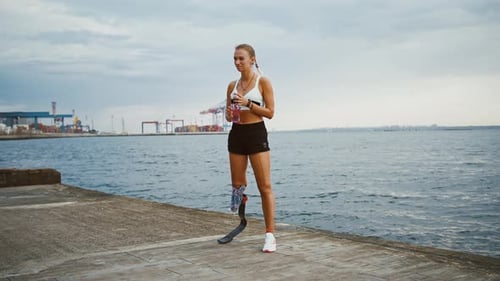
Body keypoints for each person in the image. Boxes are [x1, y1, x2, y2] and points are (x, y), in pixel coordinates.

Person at [225, 43, 276, 253]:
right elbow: (230, 117)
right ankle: (243, 207)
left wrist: (248, 103)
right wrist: (230, 112)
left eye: (241, 59)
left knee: (264, 187)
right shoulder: (231, 85)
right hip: (237, 134)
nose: (237, 62)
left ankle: (270, 235)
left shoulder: (263, 81)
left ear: (252, 60)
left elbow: (271, 112)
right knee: (237, 186)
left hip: (256, 134)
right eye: (235, 59)